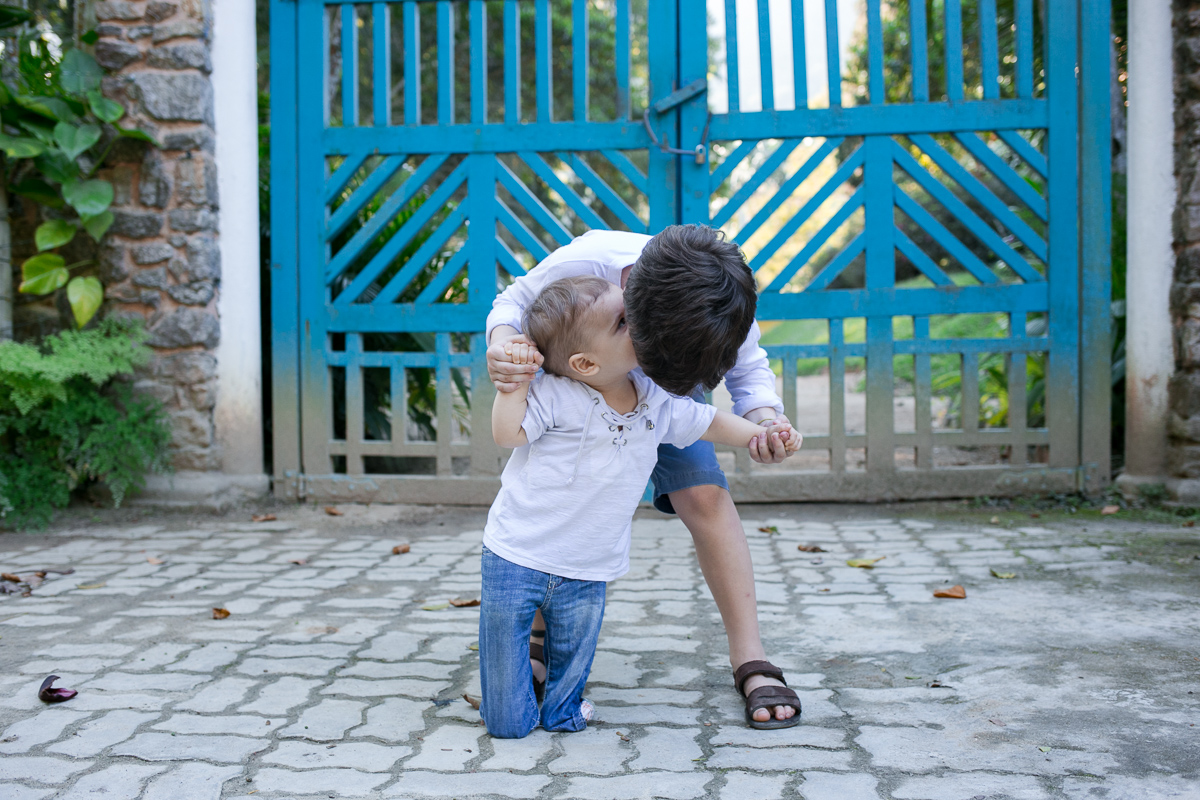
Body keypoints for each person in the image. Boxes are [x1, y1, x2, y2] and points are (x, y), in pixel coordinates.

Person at [486, 225, 804, 728]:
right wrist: (504, 347)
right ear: (631, 300)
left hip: (667, 405)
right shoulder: (590, 262)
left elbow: (749, 372)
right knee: (561, 499)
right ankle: (538, 641)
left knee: (705, 497)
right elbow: (513, 302)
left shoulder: (717, 301)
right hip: (582, 382)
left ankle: (750, 657)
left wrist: (765, 423)